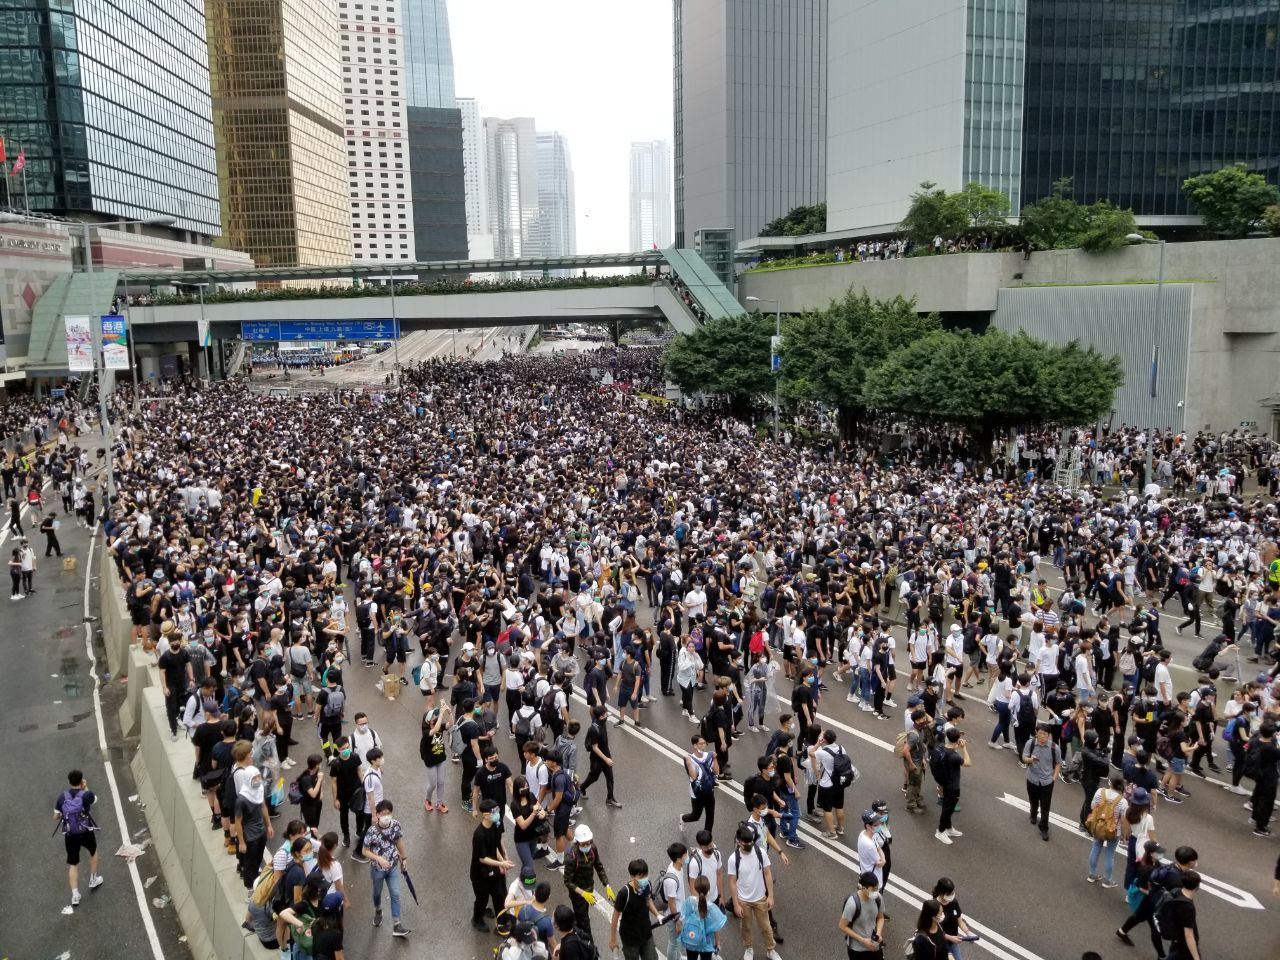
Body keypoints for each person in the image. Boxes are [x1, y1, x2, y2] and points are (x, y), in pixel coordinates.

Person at [726, 824, 780, 960]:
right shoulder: (733, 859)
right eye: (746, 843)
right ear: (738, 842)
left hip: (761, 898)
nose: (749, 844)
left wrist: (771, 896)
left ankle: (771, 950)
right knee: (746, 928)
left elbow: (767, 873)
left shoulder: (760, 852)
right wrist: (736, 904)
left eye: (751, 841)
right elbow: (732, 882)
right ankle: (749, 949)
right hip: (743, 901)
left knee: (766, 927)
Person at [363, 798, 411, 937]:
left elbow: (398, 841)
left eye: (388, 813)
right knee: (377, 893)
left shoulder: (395, 825)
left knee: (395, 894)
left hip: (393, 867)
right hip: (377, 869)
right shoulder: (371, 831)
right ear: (377, 815)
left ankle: (397, 924)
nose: (386, 816)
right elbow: (364, 851)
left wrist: (404, 857)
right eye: (383, 813)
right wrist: (378, 859)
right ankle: (378, 909)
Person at [54, 769, 102, 908]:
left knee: (73, 863)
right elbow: (94, 800)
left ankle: (75, 895)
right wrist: (86, 787)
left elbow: (55, 816)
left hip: (70, 834)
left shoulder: (62, 797)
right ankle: (93, 879)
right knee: (93, 852)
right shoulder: (87, 795)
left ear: (69, 782)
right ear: (81, 781)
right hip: (86, 831)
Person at [562, 823, 612, 944]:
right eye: (583, 844)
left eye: (588, 842)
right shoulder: (572, 856)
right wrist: (583, 893)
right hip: (577, 894)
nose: (587, 846)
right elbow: (567, 881)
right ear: (577, 842)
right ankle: (590, 946)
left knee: (583, 915)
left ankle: (577, 927)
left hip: (589, 889)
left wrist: (607, 885)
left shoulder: (593, 848)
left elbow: (598, 866)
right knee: (584, 921)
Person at [471, 798, 514, 932]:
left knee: (499, 895)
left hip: (493, 869)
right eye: (494, 811)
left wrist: (503, 861)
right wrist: (501, 863)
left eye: (497, 810)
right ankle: (477, 919)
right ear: (485, 814)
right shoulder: (479, 834)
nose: (497, 813)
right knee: (482, 899)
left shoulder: (495, 826)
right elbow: (483, 859)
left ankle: (501, 922)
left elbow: (495, 847)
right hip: (480, 874)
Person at [1116, 839, 1166, 956]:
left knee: (1138, 917)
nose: (1160, 854)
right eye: (1158, 852)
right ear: (1151, 853)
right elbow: (1142, 888)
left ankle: (1121, 932)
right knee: (1155, 929)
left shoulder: (1156, 864)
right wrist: (1157, 894)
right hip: (1149, 901)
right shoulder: (1146, 869)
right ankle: (1162, 956)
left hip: (1149, 901)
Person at [609, 858, 662, 960]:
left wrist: (657, 914)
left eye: (646, 875)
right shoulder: (624, 893)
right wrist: (613, 939)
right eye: (641, 876)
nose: (645, 879)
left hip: (646, 933)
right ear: (632, 876)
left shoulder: (648, 885)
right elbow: (615, 916)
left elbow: (648, 900)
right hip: (630, 938)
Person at [1021, 722, 1062, 841]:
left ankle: (1044, 828)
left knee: (1045, 806)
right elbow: (1024, 759)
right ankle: (1033, 812)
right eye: (1040, 733)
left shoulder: (1055, 748)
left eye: (1045, 734)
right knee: (1033, 800)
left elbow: (1059, 763)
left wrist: (1054, 777)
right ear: (1036, 733)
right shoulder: (1031, 743)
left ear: (1049, 735)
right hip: (1032, 778)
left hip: (1047, 781)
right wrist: (1031, 759)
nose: (1042, 736)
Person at [1085, 774, 1128, 888]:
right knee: (1110, 854)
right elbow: (1123, 820)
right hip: (1113, 830)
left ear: (1110, 783)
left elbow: (1092, 806)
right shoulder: (1123, 801)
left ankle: (1092, 874)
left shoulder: (1100, 792)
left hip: (1099, 826)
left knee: (1096, 848)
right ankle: (1107, 880)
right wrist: (1124, 834)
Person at [579, 704, 622, 808]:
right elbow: (594, 747)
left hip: (606, 755)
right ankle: (581, 788)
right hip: (597, 759)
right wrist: (606, 759)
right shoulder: (594, 729)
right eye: (606, 714)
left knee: (610, 778)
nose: (607, 716)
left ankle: (610, 798)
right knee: (594, 777)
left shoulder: (603, 722)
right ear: (601, 717)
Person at [838, 871, 886, 960]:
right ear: (864, 888)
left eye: (877, 888)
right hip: (857, 950)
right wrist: (862, 940)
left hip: (874, 945)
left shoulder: (878, 898)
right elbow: (842, 926)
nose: (876, 892)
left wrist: (878, 933)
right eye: (873, 889)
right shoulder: (852, 904)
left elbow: (880, 917)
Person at [934, 728, 970, 845]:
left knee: (947, 807)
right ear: (957, 739)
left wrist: (956, 745)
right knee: (947, 809)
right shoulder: (954, 756)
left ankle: (948, 828)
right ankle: (940, 831)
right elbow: (968, 763)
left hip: (945, 782)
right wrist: (964, 748)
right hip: (952, 786)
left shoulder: (942, 748)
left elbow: (951, 746)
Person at [679, 874, 727, 960]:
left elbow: (683, 918)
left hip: (691, 939)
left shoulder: (689, 901)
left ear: (695, 889)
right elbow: (716, 928)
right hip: (706, 944)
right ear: (708, 890)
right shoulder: (712, 908)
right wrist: (717, 943)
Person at [681, 734, 718, 833]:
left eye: (704, 743)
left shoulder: (709, 756)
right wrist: (688, 763)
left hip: (709, 790)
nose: (703, 746)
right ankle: (683, 818)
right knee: (695, 816)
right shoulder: (690, 759)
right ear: (695, 745)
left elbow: (716, 772)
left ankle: (707, 839)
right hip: (697, 792)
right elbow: (693, 776)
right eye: (700, 744)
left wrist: (714, 759)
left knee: (710, 816)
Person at [1162, 870, 1203, 960]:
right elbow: (1188, 934)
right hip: (1184, 945)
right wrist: (1196, 957)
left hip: (1176, 938)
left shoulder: (1176, 891)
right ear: (1197, 887)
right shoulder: (1187, 907)